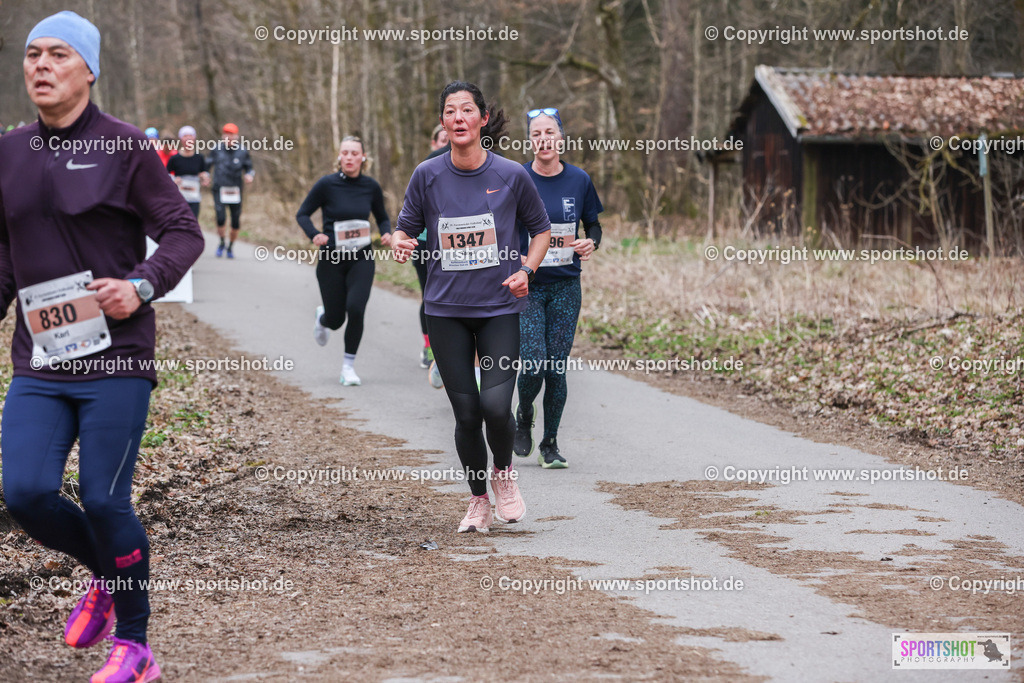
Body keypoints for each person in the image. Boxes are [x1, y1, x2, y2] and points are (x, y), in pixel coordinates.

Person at [1, 11, 204, 682]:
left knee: (105, 498)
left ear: (88, 69)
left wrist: (143, 286)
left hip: (115, 358)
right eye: (32, 54)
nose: (41, 65)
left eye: (58, 54)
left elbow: (183, 232)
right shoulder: (8, 152)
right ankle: (109, 577)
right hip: (41, 357)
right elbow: (7, 253)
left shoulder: (125, 149)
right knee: (25, 491)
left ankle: (137, 643)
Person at [392, 81, 551, 533]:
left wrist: (529, 270)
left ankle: (503, 474)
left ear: (483, 119)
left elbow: (540, 231)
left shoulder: (510, 175)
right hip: (446, 311)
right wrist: (402, 243)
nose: (458, 117)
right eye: (449, 111)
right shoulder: (427, 175)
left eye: (467, 110)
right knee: (466, 414)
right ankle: (478, 500)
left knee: (497, 407)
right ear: (443, 123)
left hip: (500, 306)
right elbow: (406, 230)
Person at [513, 108, 603, 468]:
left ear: (561, 138)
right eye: (536, 134)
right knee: (533, 363)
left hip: (566, 287)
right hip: (529, 287)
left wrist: (590, 243)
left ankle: (550, 444)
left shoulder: (579, 180)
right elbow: (501, 223)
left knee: (556, 367)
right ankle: (523, 415)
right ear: (530, 140)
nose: (543, 140)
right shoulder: (517, 177)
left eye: (549, 132)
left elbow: (594, 226)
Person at [296, 136, 391, 386]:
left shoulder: (371, 187)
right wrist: (314, 234)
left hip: (361, 258)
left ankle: (348, 367)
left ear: (363, 158)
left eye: (354, 153)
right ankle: (323, 318)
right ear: (339, 157)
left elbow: (382, 217)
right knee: (336, 320)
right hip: (331, 259)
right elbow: (303, 213)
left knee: (356, 309)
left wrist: (388, 233)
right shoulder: (326, 185)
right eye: (345, 153)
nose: (349, 157)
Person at [414, 124, 449, 377]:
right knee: (431, 294)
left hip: (452, 244)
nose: (447, 144)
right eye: (443, 140)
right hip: (425, 242)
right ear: (434, 143)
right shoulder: (427, 167)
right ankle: (431, 349)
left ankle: (452, 354)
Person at [206, 122, 254, 258]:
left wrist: (249, 175)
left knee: (235, 221)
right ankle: (221, 242)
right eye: (226, 134)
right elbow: (207, 166)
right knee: (220, 218)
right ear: (222, 136)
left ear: (237, 136)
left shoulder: (243, 151)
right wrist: (206, 176)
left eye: (231, 134)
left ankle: (231, 247)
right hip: (219, 188)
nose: (229, 137)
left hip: (235, 190)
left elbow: (250, 168)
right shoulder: (216, 149)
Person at [165, 125, 210, 219]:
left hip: (194, 197)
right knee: (180, 222)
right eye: (185, 136)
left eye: (191, 135)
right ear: (181, 139)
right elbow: (166, 176)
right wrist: (173, 180)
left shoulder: (199, 157)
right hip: (179, 198)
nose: (188, 138)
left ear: (194, 138)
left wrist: (205, 178)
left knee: (193, 222)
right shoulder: (175, 158)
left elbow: (205, 172)